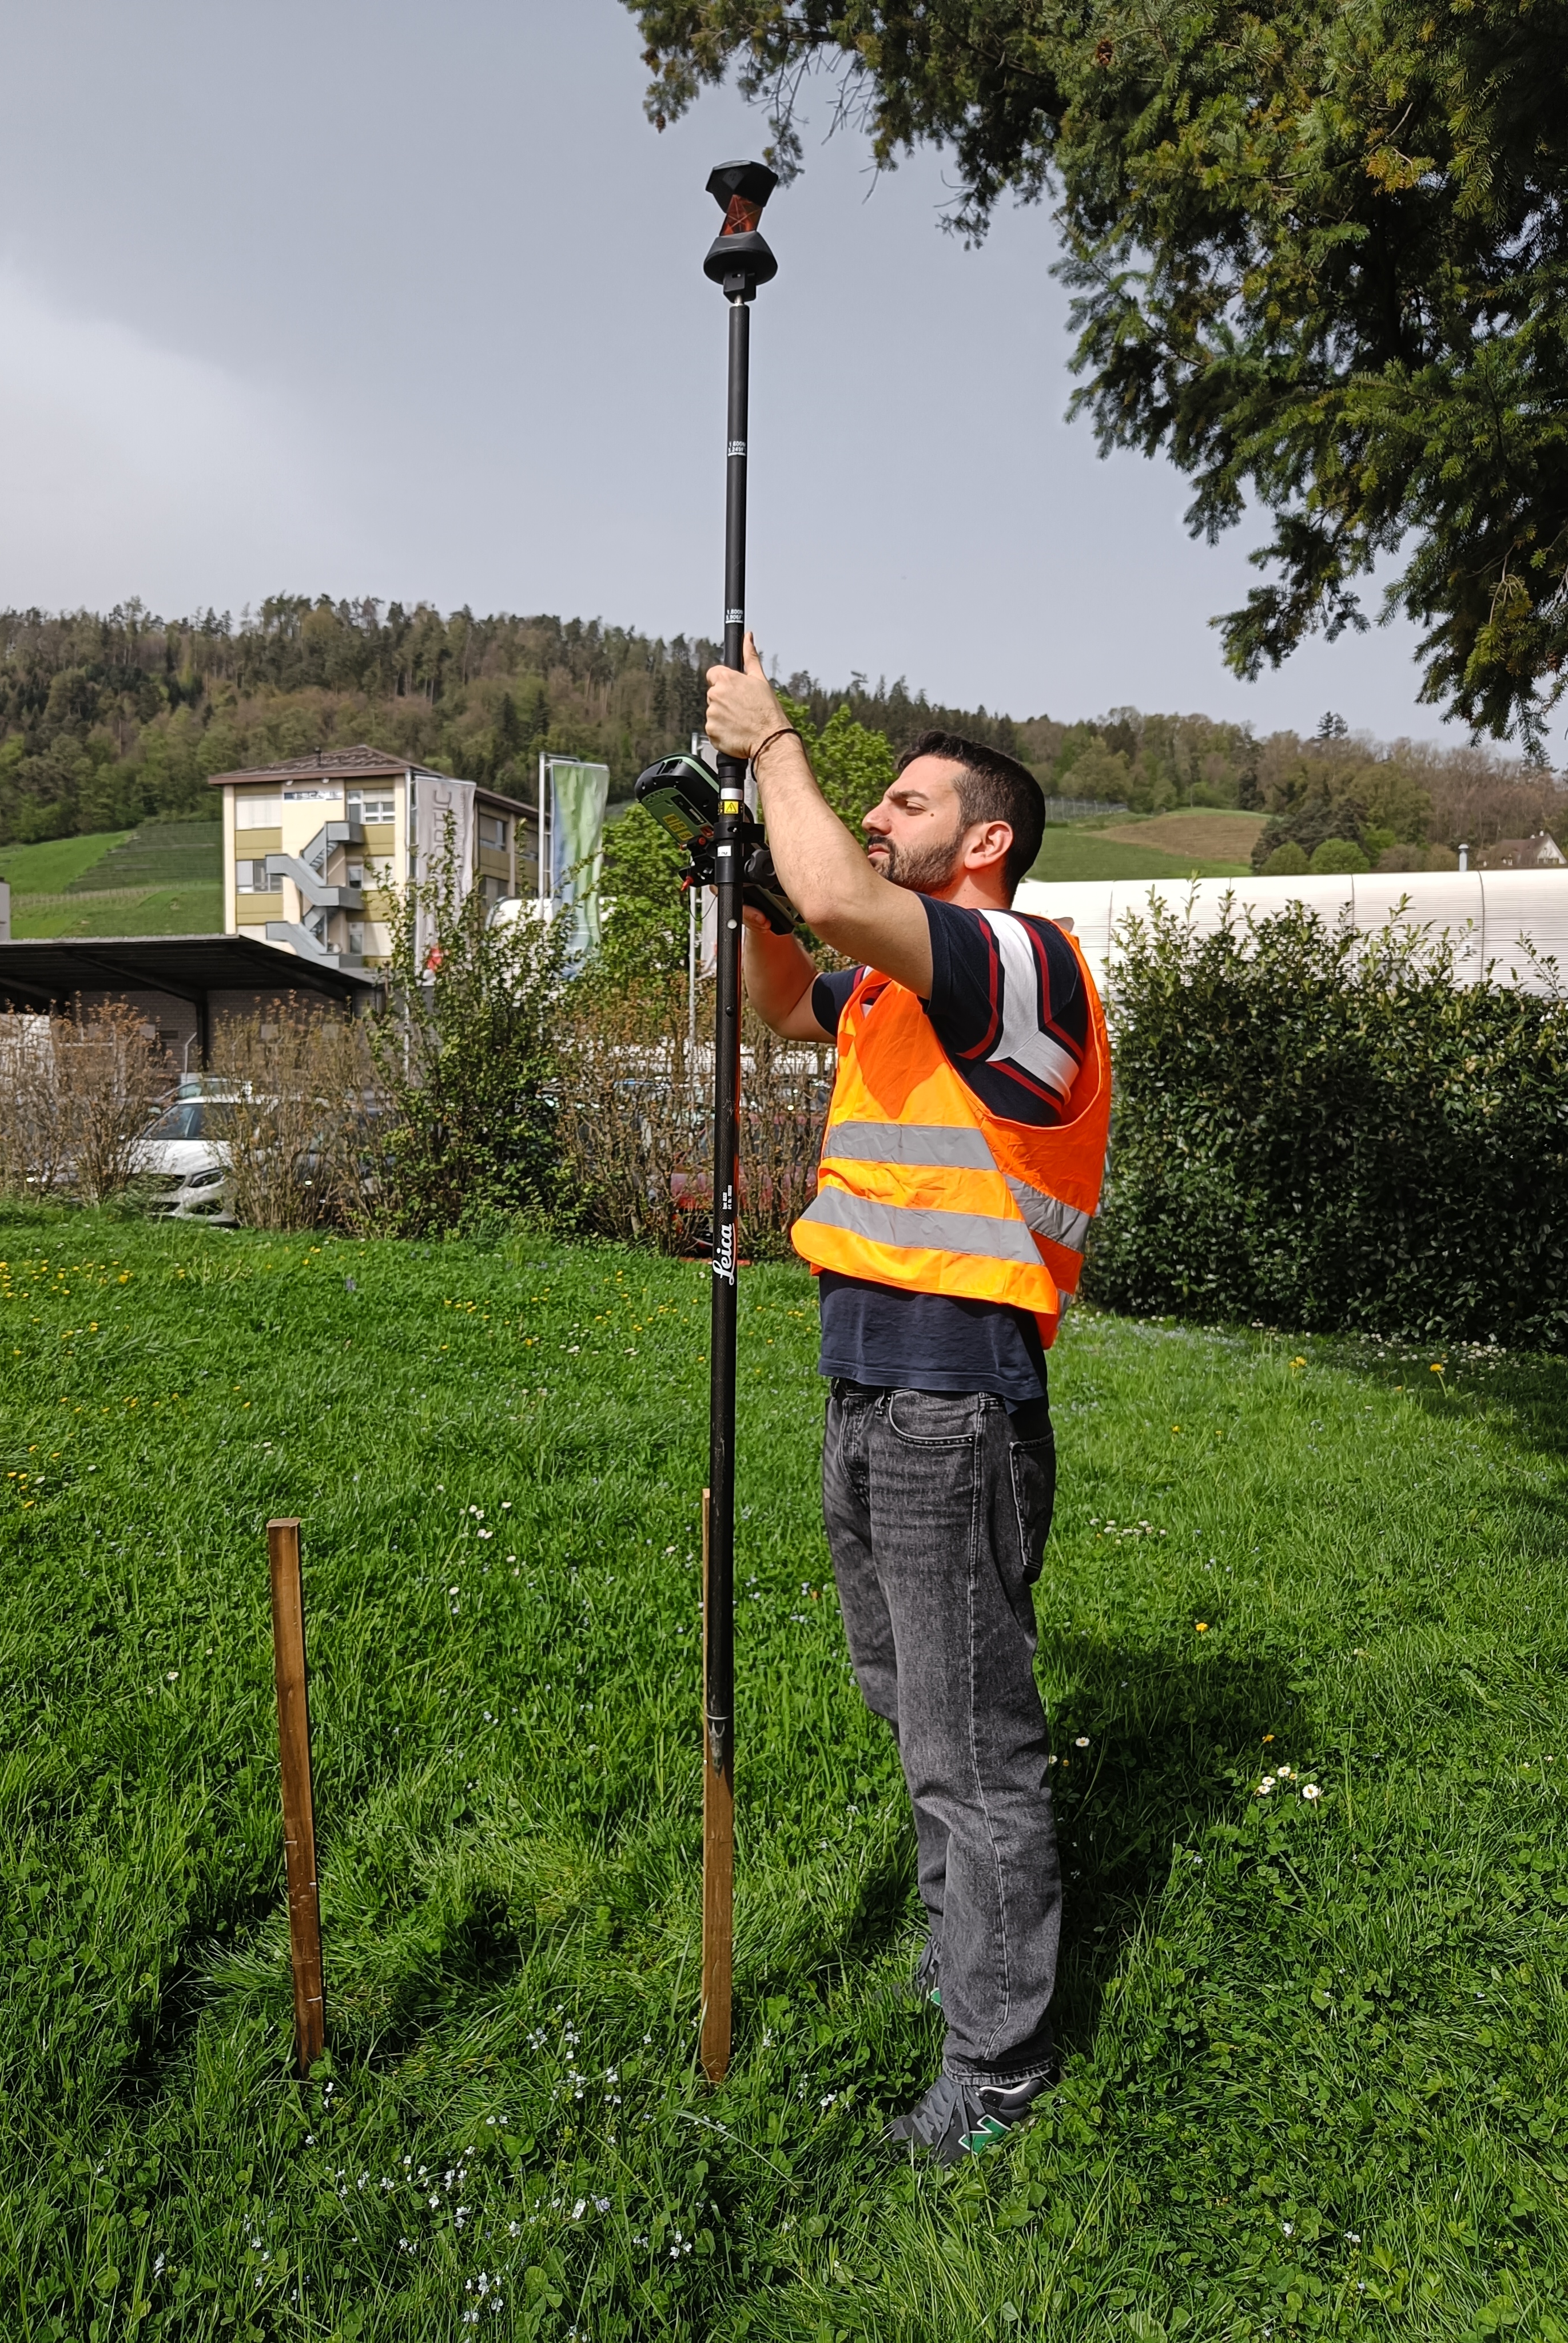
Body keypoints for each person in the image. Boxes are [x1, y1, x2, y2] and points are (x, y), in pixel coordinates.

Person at [704, 637, 1112, 2165]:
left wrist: (777, 746)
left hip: (954, 1398)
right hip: (867, 1382)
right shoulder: (895, 986)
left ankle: (997, 2070)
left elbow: (837, 897)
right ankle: (971, 1966)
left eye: (907, 801)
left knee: (967, 1744)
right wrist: (742, 885)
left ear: (983, 839)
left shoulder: (1020, 964)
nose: (878, 819)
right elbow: (783, 999)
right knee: (910, 1707)